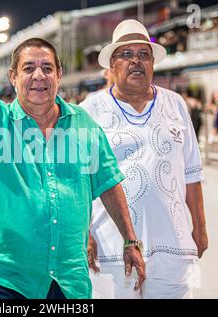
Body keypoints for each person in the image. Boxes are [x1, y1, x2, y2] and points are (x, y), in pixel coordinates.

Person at [0, 18, 145, 299]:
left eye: (47, 68)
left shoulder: (84, 125)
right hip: (7, 279)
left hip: (68, 281)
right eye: (28, 68)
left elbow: (108, 183)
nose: (39, 76)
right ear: (13, 77)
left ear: (59, 75)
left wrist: (130, 240)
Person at [81, 19, 208, 299]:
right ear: (112, 65)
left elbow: (192, 173)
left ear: (152, 62)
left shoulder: (176, 104)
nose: (136, 61)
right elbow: (78, 180)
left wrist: (200, 227)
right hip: (110, 248)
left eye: (143, 55)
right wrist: (85, 233)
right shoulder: (89, 110)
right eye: (126, 54)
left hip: (172, 245)